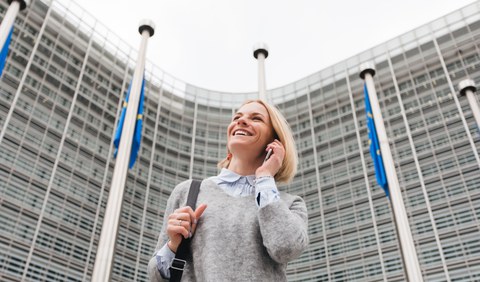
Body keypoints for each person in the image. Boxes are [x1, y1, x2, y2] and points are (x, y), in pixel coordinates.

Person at [148, 99, 309, 281]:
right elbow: (156, 277)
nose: (240, 121)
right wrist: (173, 245)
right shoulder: (188, 192)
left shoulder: (289, 204)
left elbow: (285, 248)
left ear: (275, 143)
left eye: (256, 118)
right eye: (237, 117)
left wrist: (264, 177)